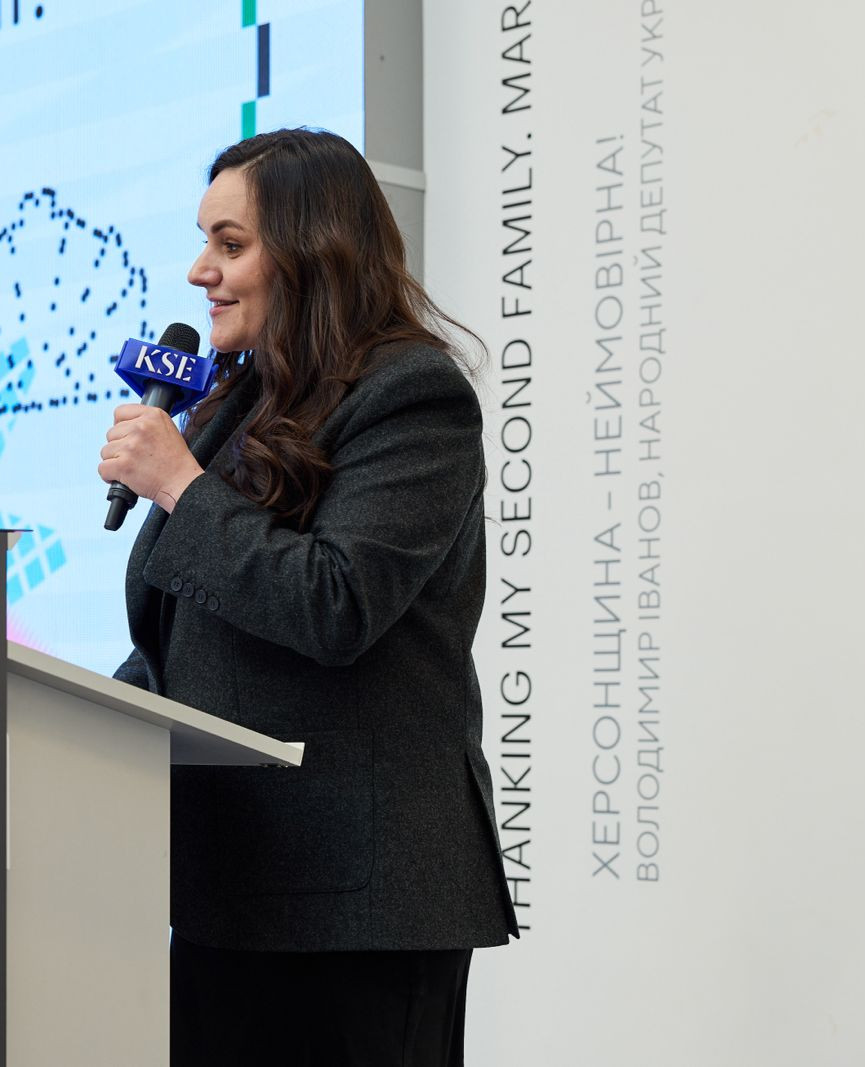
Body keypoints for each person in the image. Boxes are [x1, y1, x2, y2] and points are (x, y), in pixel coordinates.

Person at [98, 128, 518, 1066]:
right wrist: (73, 716)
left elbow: (337, 603)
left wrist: (182, 487)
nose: (200, 270)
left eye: (231, 244)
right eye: (204, 241)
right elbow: (190, 635)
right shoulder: (241, 401)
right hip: (229, 882)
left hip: (357, 907)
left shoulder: (412, 395)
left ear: (313, 250)